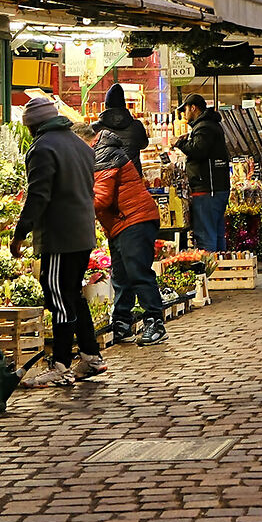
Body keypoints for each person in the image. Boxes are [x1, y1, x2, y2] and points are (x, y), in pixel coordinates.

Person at [10, 97, 105, 385]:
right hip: (82, 232)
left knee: (58, 296)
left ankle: (61, 363)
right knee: (72, 294)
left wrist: (20, 232)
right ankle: (91, 355)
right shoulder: (78, 144)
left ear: (32, 126)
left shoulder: (43, 148)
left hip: (59, 236)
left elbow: (39, 195)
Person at [92, 84, 166, 347]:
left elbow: (101, 198)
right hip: (123, 218)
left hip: (132, 216)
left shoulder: (103, 152)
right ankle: (122, 322)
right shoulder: (134, 128)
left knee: (137, 272)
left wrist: (72, 207)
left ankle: (154, 322)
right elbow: (143, 143)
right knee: (121, 274)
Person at [175, 96, 231, 253]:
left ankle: (210, 274)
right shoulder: (209, 125)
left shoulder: (204, 127)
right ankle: (220, 271)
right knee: (217, 234)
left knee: (206, 237)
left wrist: (180, 143)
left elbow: (198, 151)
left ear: (193, 108)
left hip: (208, 189)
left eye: (185, 109)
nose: (183, 114)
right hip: (216, 188)